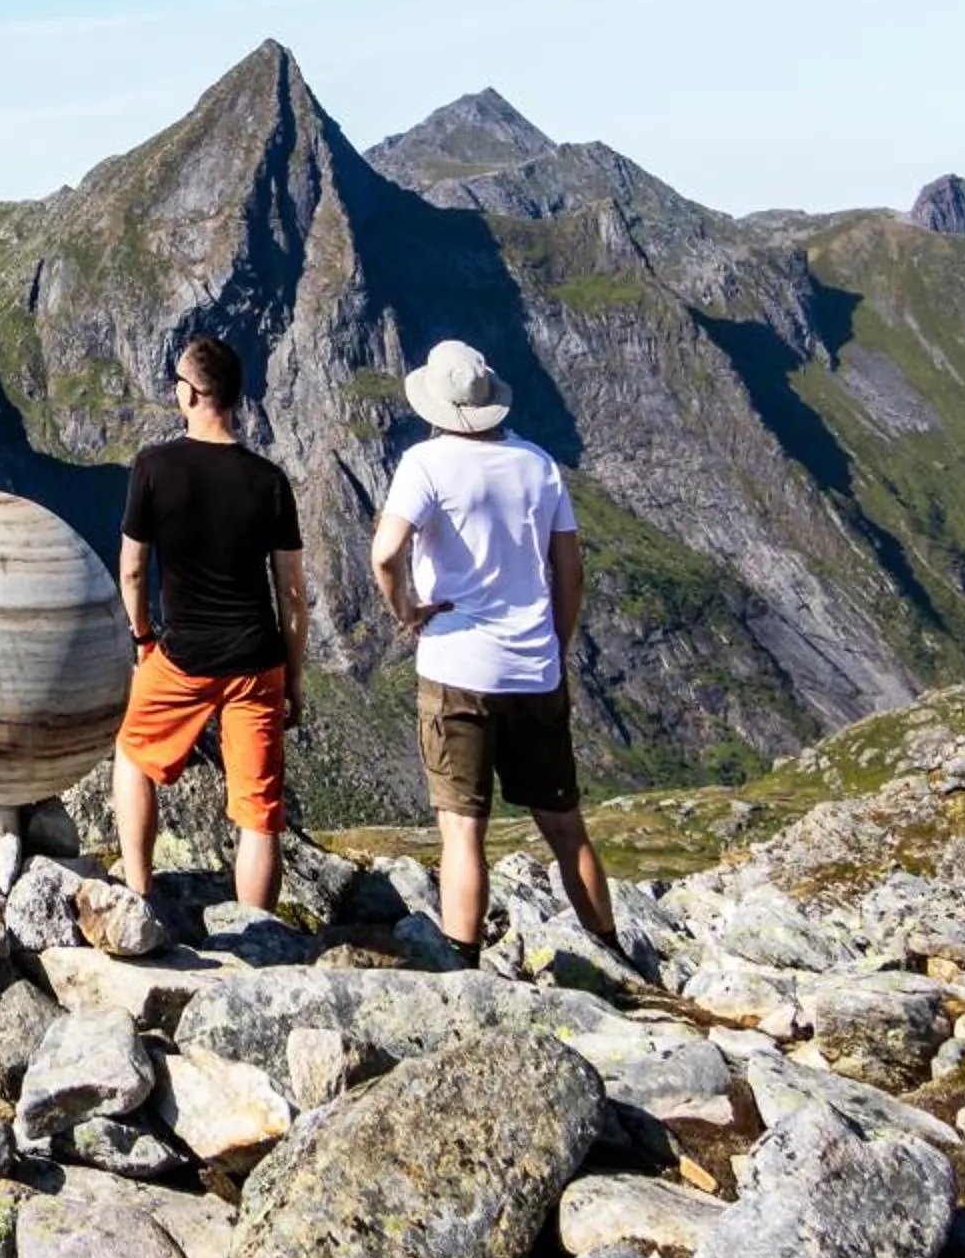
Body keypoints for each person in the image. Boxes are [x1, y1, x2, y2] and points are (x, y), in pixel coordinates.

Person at [368, 339, 622, 963]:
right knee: (564, 826)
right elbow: (570, 573)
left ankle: (464, 965)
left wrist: (407, 610)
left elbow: (385, 553)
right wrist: (554, 646)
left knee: (463, 831)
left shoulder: (426, 463)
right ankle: (614, 954)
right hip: (534, 668)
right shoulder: (538, 465)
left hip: (457, 668)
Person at [108, 334, 307, 910]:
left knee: (133, 755)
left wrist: (143, 637)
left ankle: (139, 894)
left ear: (191, 394)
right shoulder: (269, 481)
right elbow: (292, 594)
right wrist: (292, 680)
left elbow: (132, 570)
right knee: (259, 812)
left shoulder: (154, 467)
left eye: (177, 381)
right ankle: (259, 934)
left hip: (183, 657)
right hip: (256, 662)